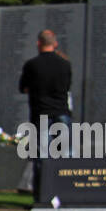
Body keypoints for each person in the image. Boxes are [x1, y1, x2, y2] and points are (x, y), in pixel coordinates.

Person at [19, 29, 72, 201]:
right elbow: (67, 87)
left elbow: (24, 88)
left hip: (40, 112)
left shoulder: (32, 65)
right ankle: (62, 193)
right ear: (55, 44)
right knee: (62, 155)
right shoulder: (65, 64)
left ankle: (42, 196)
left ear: (38, 43)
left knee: (41, 157)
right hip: (62, 112)